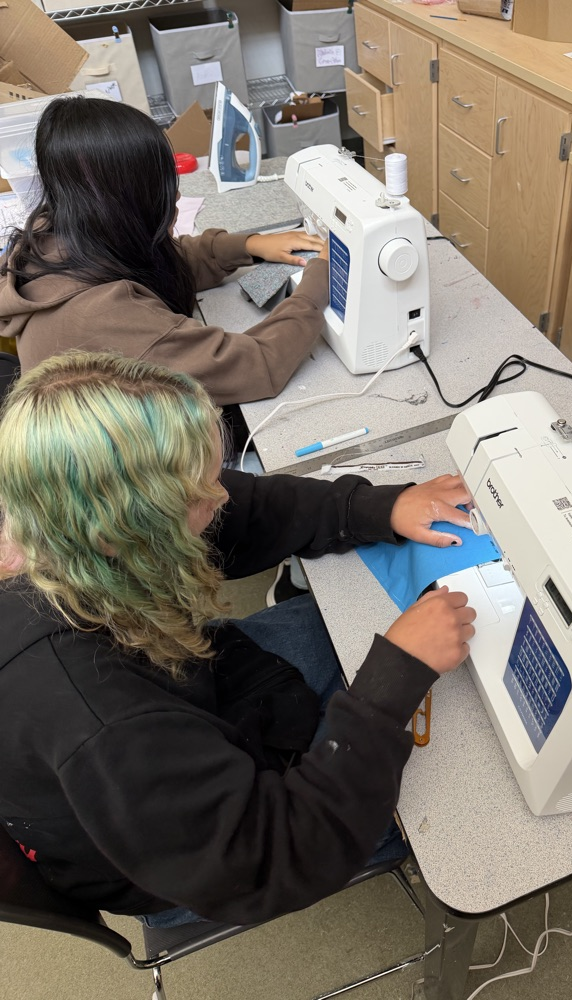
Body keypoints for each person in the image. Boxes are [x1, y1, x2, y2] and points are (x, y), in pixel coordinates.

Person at [0, 351, 476, 928]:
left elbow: (243, 506)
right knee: (449, 802)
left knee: (368, 657)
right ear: (125, 529)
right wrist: (389, 682)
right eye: (197, 495)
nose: (219, 495)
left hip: (189, 695)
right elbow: (270, 858)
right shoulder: (96, 717)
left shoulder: (57, 514)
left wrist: (375, 506)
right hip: (192, 858)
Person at [0, 96, 328, 410]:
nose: (176, 197)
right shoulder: (104, 319)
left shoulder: (53, 234)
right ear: (125, 204)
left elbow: (152, 260)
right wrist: (318, 286)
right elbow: (258, 363)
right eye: (163, 189)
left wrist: (245, 246)